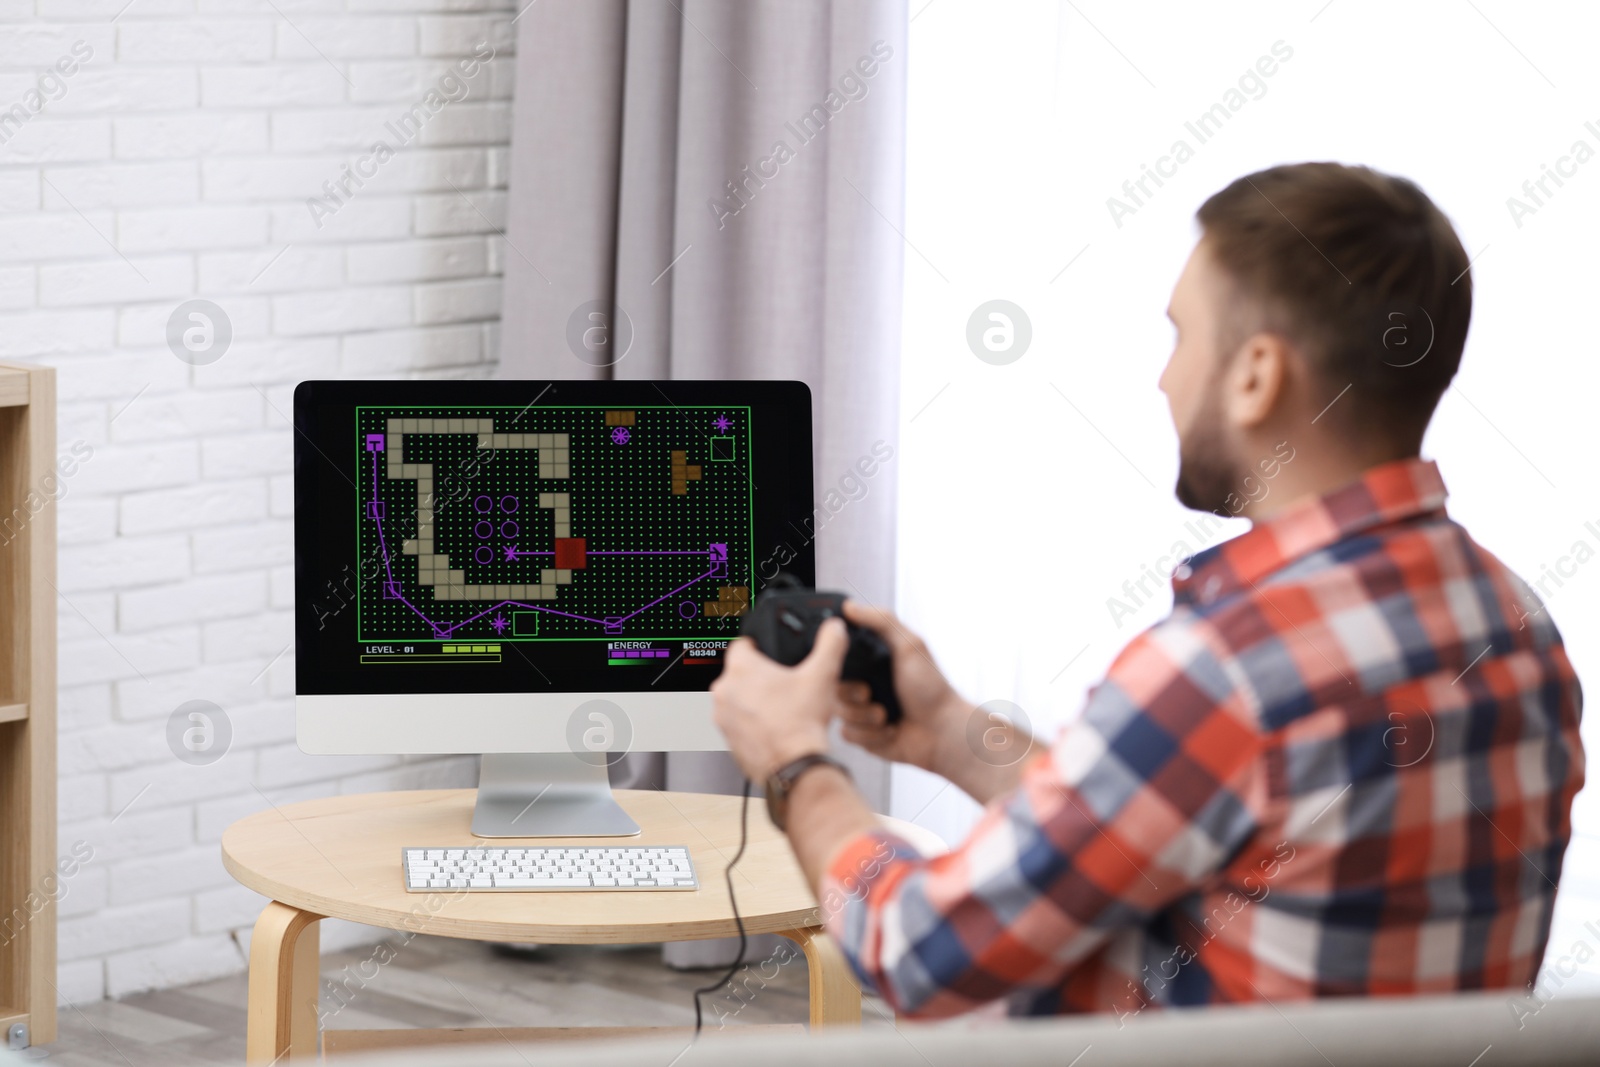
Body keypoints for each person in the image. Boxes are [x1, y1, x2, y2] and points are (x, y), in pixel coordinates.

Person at [711, 162, 1585, 1017]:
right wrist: (949, 731)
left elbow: (921, 950)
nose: (1163, 378)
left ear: (1255, 375)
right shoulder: (1517, 624)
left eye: (1179, 335)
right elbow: (1153, 825)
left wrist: (795, 762)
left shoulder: (1230, 666)